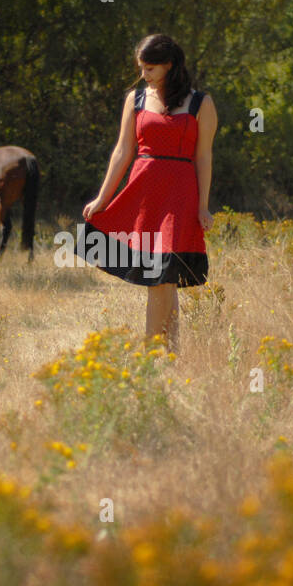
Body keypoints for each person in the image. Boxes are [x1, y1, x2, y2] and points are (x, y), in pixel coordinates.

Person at [77, 33, 216, 355]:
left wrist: (203, 206)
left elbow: (204, 156)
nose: (144, 75)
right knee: (163, 278)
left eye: (150, 68)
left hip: (180, 195)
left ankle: (151, 355)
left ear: (169, 66)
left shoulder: (201, 103)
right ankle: (171, 354)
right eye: (141, 68)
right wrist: (102, 198)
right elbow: (123, 150)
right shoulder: (135, 99)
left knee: (162, 275)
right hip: (143, 191)